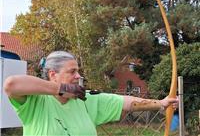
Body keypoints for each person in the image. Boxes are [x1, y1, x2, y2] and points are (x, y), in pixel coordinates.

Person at [4, 51, 178, 136]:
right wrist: (60, 89)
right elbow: (11, 85)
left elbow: (125, 102)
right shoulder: (35, 102)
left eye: (78, 71)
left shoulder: (85, 99)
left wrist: (161, 103)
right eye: (72, 71)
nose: (78, 76)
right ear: (52, 75)